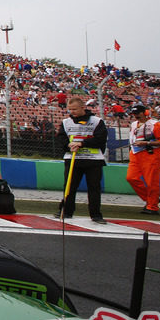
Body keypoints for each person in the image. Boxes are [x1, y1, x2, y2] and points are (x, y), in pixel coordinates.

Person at [54, 96, 108, 224]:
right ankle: (66, 211)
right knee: (69, 186)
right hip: (72, 158)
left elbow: (101, 139)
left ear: (83, 107)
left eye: (75, 109)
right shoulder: (66, 122)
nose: (72, 112)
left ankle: (95, 215)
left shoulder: (97, 121)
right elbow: (61, 138)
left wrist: (82, 143)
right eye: (70, 109)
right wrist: (68, 145)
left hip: (93, 159)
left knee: (94, 188)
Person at [125, 104, 160, 215]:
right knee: (131, 178)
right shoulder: (133, 124)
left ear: (145, 113)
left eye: (138, 113)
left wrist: (147, 143)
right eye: (134, 114)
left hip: (151, 153)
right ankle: (151, 199)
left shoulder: (155, 124)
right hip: (135, 153)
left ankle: (152, 206)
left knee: (151, 181)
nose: (135, 116)